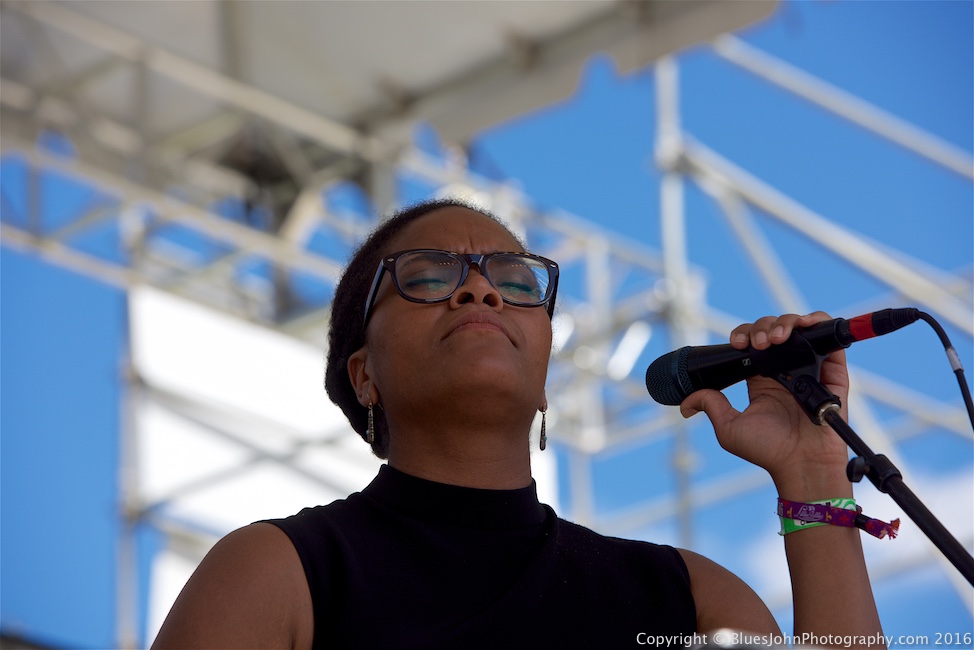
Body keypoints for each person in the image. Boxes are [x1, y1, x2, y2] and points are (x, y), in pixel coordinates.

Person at [152, 199, 884, 649]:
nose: (479, 288)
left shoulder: (688, 598)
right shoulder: (280, 572)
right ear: (363, 373)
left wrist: (815, 476)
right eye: (430, 275)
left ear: (544, 372)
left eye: (515, 281)